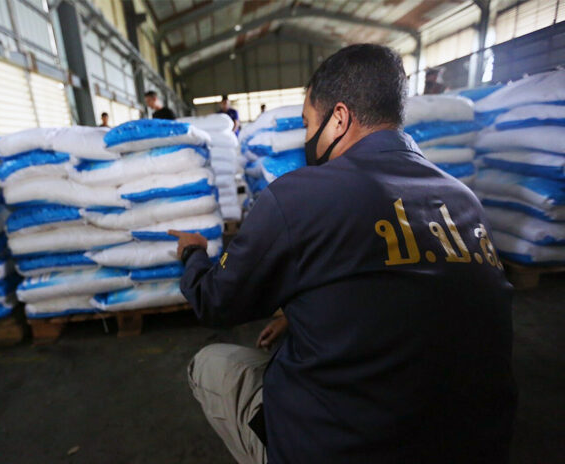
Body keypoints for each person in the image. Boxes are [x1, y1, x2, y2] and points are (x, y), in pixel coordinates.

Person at [170, 44, 516, 464]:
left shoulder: (298, 196)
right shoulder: (463, 201)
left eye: (306, 122)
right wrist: (294, 312)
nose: (304, 137)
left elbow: (214, 301)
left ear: (338, 118)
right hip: (477, 446)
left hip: (346, 451)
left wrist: (194, 255)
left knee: (210, 363)